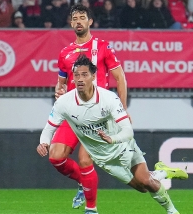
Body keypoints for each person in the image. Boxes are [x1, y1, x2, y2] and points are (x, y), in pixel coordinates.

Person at [37, 54, 188, 214]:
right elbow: (49, 128)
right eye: (77, 75)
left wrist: (113, 138)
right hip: (104, 159)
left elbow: (128, 131)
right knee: (141, 188)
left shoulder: (108, 98)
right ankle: (163, 172)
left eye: (84, 74)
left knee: (146, 182)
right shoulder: (64, 103)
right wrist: (44, 142)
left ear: (93, 76)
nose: (80, 79)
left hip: (123, 146)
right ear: (73, 78)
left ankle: (172, 211)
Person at [49, 4, 128, 213]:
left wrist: (123, 111)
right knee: (55, 156)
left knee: (85, 159)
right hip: (73, 113)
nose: (78, 21)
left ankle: (91, 209)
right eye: (75, 18)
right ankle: (83, 184)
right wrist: (59, 92)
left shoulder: (102, 46)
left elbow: (120, 78)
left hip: (97, 115)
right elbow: (61, 84)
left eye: (82, 17)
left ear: (90, 22)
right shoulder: (65, 53)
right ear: (71, 23)